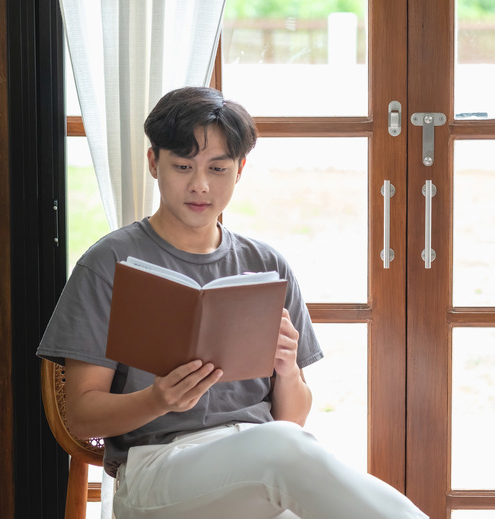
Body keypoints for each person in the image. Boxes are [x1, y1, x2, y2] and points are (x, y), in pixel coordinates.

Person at [37, 86, 428, 519]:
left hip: (259, 466)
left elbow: (292, 419)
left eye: (218, 168)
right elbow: (82, 416)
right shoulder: (110, 263)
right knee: (284, 453)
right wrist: (159, 400)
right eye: (183, 166)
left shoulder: (266, 264)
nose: (200, 185)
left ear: (240, 170)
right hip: (158, 469)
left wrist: (287, 371)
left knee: (287, 452)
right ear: (154, 163)